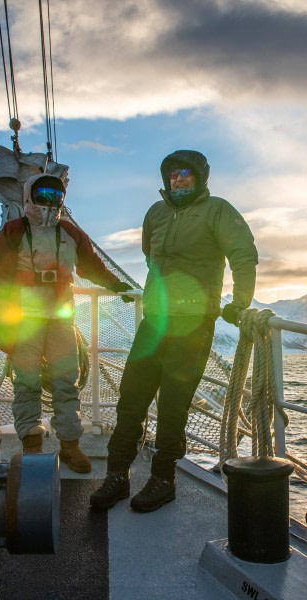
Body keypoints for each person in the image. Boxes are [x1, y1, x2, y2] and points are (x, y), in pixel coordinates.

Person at [90, 149, 258, 511]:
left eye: (185, 173)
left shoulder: (219, 211)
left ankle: (163, 479)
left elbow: (243, 254)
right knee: (130, 400)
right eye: (172, 175)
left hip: (194, 324)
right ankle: (117, 478)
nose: (178, 179)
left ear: (200, 176)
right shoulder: (157, 212)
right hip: (155, 321)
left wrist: (240, 302)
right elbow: (151, 254)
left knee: (172, 407)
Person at [0, 173, 133, 472]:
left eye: (56, 196)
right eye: (44, 195)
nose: (50, 202)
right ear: (29, 196)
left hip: (61, 319)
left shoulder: (71, 233)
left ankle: (70, 445)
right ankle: (31, 443)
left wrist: (118, 286)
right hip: (24, 320)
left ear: (63, 200)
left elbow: (92, 266)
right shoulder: (13, 231)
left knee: (67, 383)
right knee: (26, 383)